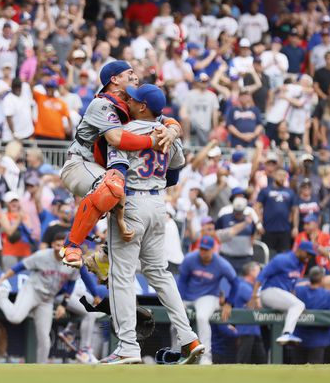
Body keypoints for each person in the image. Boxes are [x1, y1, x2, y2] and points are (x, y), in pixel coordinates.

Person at [102, 83, 202, 365]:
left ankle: (127, 346)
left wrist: (119, 217)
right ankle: (188, 338)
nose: (129, 102)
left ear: (143, 106)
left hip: (132, 201)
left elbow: (116, 178)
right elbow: (176, 167)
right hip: (159, 203)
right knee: (159, 273)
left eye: (133, 100)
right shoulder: (166, 132)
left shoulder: (126, 132)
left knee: (121, 276)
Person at [59, 61, 178, 267]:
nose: (135, 76)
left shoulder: (132, 104)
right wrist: (151, 141)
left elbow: (169, 120)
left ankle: (102, 260)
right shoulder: (102, 104)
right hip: (79, 165)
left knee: (132, 203)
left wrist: (171, 132)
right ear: (114, 79)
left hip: (106, 168)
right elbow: (115, 138)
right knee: (112, 187)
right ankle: (72, 246)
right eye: (129, 73)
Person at [0, 234, 101, 364]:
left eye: (63, 245)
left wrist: (63, 304)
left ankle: (42, 369)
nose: (60, 247)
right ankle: (1, 295)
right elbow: (20, 266)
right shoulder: (42, 255)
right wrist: (1, 280)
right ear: (52, 245)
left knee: (45, 339)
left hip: (47, 299)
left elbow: (71, 284)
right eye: (57, 244)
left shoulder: (72, 260)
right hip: (33, 291)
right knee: (15, 318)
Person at [178, 236, 237, 365]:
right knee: (176, 320)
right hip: (188, 296)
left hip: (208, 296)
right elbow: (182, 280)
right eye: (202, 249)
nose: (203, 252)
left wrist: (229, 303)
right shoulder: (190, 259)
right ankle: (177, 353)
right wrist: (180, 299)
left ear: (213, 249)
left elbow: (235, 282)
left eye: (206, 249)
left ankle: (206, 357)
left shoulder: (221, 264)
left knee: (202, 317)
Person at [249, 242, 314, 345]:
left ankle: (283, 337)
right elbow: (262, 276)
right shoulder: (282, 259)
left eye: (311, 255)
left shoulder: (301, 265)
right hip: (269, 292)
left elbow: (292, 287)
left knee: (297, 306)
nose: (309, 257)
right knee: (298, 305)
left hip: (280, 296)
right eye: (308, 254)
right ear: (300, 250)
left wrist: (296, 304)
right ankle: (287, 333)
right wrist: (255, 296)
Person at [293, 264, 330, 364]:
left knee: (296, 373)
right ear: (322, 280)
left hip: (299, 339)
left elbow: (291, 289)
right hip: (318, 341)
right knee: (316, 374)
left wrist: (309, 282)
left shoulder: (300, 290)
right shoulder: (327, 295)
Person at [231, 261, 266, 364]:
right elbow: (258, 305)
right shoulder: (243, 286)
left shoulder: (251, 287)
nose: (261, 274)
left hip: (254, 330)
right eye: (258, 271)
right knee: (242, 361)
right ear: (251, 272)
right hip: (245, 331)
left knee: (262, 362)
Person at [256, 169, 297, 254]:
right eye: (279, 175)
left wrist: (295, 227)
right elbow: (257, 207)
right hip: (268, 228)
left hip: (285, 229)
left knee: (284, 254)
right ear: (274, 175)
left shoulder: (290, 192)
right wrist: (258, 224)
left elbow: (295, 210)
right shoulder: (265, 190)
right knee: (268, 254)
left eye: (284, 176)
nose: (282, 178)